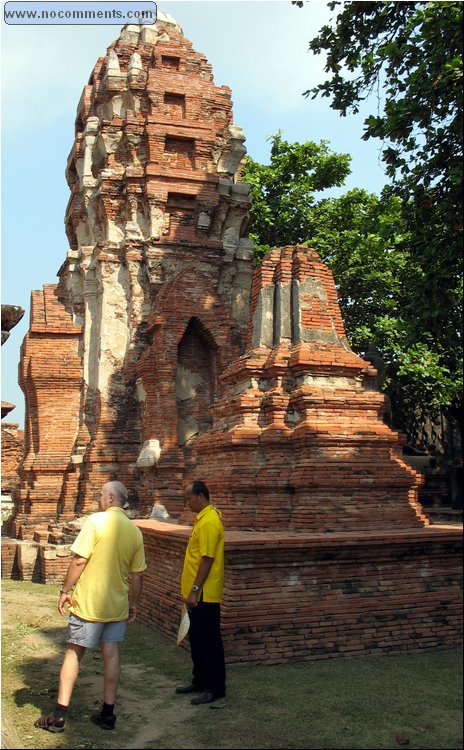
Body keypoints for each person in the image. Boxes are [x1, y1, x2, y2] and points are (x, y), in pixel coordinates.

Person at [34, 480, 146, 733]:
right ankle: (108, 714)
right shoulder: (134, 530)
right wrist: (134, 604)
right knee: (112, 654)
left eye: (100, 495)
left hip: (89, 603)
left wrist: (65, 591)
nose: (98, 499)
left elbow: (79, 561)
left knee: (74, 653)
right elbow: (137, 575)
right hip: (116, 604)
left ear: (110, 499)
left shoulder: (96, 522)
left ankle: (59, 715)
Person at [175, 480, 226, 705]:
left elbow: (207, 559)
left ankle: (215, 687)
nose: (187, 503)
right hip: (196, 593)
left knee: (209, 640)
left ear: (201, 496)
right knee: (197, 639)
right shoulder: (203, 519)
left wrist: (195, 590)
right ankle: (199, 679)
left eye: (189, 498)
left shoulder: (209, 521)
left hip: (204, 594)